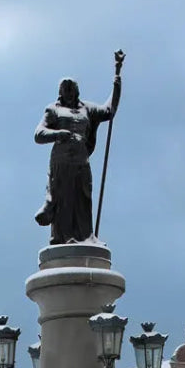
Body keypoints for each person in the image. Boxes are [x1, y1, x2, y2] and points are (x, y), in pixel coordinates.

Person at [34, 52, 124, 244]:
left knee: (83, 196)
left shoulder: (87, 109)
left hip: (81, 160)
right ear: (61, 93)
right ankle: (61, 237)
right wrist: (58, 134)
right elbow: (38, 134)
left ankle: (86, 237)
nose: (68, 93)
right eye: (65, 91)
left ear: (76, 91)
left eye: (71, 90)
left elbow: (109, 110)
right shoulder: (53, 110)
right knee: (64, 199)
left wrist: (117, 75)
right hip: (61, 160)